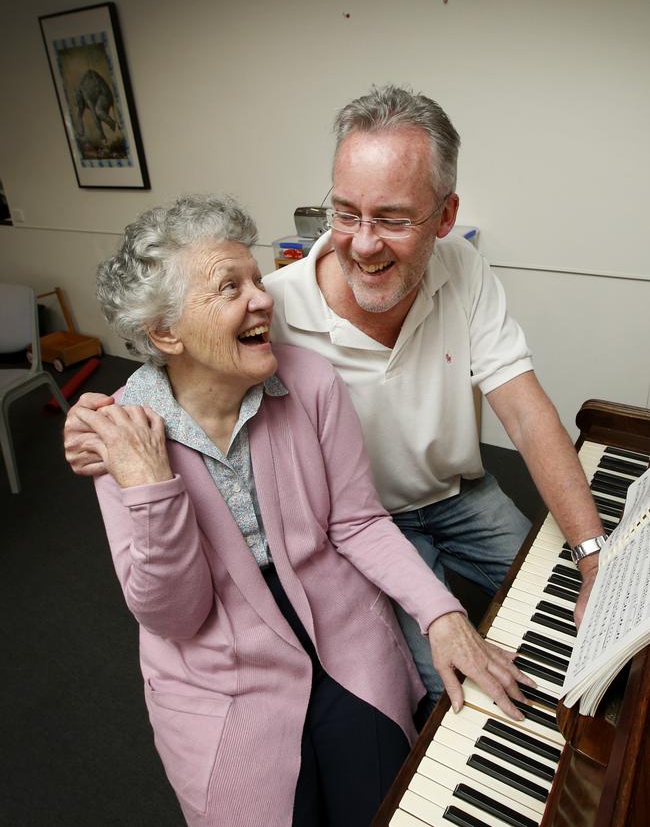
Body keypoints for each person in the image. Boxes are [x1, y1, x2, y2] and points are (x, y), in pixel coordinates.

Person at [65, 85, 603, 717]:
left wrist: (592, 550)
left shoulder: (464, 270)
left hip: (462, 495)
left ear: (446, 216)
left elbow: (525, 411)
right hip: (362, 525)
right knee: (447, 692)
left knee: (575, 602)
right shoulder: (276, 308)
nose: (364, 243)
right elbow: (182, 370)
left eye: (394, 219)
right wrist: (97, 415)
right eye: (345, 214)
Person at [76, 194, 533, 827]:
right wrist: (152, 486)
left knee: (384, 797)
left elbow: (358, 522)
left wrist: (443, 613)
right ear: (164, 332)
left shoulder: (312, 381)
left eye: (256, 280)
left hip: (339, 630)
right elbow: (174, 616)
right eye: (229, 287)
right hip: (220, 670)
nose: (262, 299)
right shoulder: (121, 433)